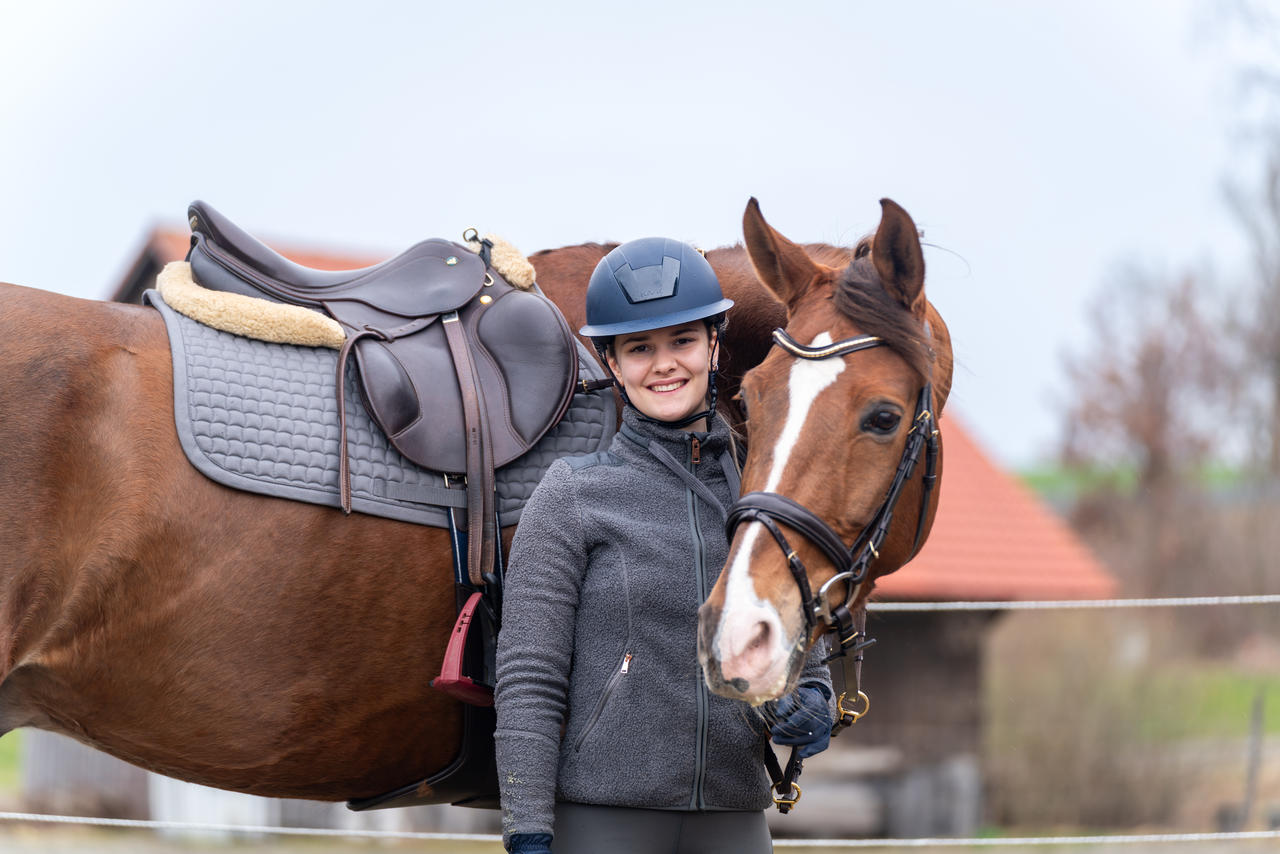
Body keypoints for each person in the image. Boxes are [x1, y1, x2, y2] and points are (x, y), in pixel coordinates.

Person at [494, 238, 834, 854]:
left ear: (713, 343)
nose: (664, 365)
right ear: (612, 362)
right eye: (639, 348)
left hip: (735, 814)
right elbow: (529, 678)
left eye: (681, 341)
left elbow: (798, 616)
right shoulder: (572, 497)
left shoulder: (761, 486)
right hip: (604, 817)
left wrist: (813, 690)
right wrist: (527, 829)